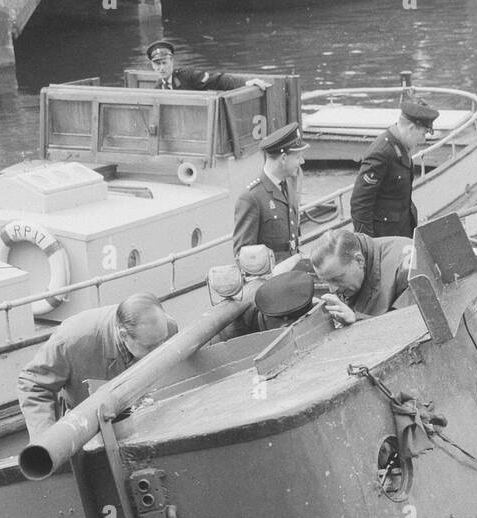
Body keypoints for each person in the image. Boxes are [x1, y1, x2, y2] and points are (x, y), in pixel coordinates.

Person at [17, 294, 176, 441]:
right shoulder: (71, 340)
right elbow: (33, 384)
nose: (159, 352)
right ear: (123, 335)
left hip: (144, 417)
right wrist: (47, 442)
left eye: (162, 342)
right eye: (149, 348)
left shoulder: (164, 327)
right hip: (90, 426)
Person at [348, 96, 439, 239]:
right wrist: (369, 246)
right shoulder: (381, 152)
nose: (423, 139)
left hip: (401, 233)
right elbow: (360, 204)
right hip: (384, 240)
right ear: (411, 128)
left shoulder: (401, 147)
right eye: (423, 133)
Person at [309, 228, 414, 323]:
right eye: (326, 281)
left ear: (359, 260)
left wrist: (357, 319)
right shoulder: (346, 268)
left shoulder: (407, 261)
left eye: (337, 279)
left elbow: (410, 323)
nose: (332, 289)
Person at [234, 122, 307, 256]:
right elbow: (243, 255)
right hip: (273, 275)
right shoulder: (251, 198)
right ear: (283, 158)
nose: (302, 161)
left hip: (293, 267)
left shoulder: (289, 183)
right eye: (298, 157)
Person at [146, 39, 269, 93]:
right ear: (152, 65)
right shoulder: (158, 88)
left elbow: (218, 80)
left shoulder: (188, 76)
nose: (161, 68)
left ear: (172, 61)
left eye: (164, 63)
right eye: (157, 64)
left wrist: (246, 83)